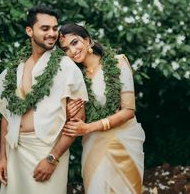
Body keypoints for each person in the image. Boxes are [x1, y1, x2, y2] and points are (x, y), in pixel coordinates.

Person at [0, 7, 88, 194]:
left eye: (54, 28)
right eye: (45, 28)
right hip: (15, 150)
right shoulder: (15, 69)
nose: (52, 33)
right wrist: (3, 157)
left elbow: (76, 121)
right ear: (29, 31)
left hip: (47, 151)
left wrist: (52, 158)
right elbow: (7, 115)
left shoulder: (66, 67)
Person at [59, 23, 145, 194]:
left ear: (87, 40)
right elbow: (76, 120)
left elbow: (128, 111)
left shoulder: (118, 63)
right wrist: (67, 113)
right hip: (93, 146)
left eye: (75, 43)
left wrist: (89, 127)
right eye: (65, 49)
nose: (72, 51)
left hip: (124, 141)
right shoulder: (74, 79)